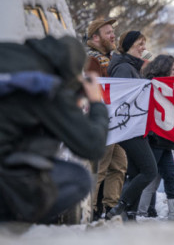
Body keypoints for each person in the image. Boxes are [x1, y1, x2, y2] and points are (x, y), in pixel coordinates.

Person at [0, 36, 109, 223]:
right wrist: (96, 102)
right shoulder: (45, 85)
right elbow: (92, 146)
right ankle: (11, 226)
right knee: (78, 178)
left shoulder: (8, 52)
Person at [105, 31, 158, 221]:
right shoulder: (124, 68)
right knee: (150, 171)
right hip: (129, 128)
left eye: (144, 44)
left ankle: (129, 215)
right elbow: (122, 99)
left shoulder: (132, 67)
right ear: (128, 45)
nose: (144, 48)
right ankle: (119, 208)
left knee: (136, 173)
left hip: (134, 126)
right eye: (139, 44)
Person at [84, 18, 128, 220]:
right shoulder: (91, 60)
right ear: (95, 37)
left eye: (113, 31)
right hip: (102, 121)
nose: (113, 35)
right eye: (108, 32)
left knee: (119, 165)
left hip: (115, 121)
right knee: (100, 167)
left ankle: (110, 207)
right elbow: (92, 91)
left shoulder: (109, 58)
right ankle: (91, 208)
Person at [137, 55, 174, 221]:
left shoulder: (169, 86)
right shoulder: (152, 86)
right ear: (164, 69)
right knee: (151, 176)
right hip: (156, 139)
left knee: (171, 174)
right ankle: (141, 212)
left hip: (166, 140)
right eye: (173, 70)